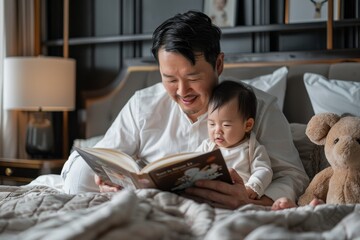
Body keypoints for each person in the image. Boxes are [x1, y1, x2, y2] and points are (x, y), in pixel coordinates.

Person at [61, 10, 309, 209]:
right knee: (81, 169)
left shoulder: (259, 107)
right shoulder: (143, 104)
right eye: (169, 79)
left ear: (218, 64)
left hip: (227, 206)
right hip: (151, 206)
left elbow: (293, 175)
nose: (182, 91)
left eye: (193, 77)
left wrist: (251, 200)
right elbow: (108, 156)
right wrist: (107, 181)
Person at [196, 81, 272, 200]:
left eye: (226, 125)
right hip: (209, 195)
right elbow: (193, 164)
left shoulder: (251, 147)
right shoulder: (208, 146)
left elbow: (263, 170)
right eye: (211, 123)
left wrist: (252, 187)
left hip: (237, 196)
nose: (217, 131)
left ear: (247, 125)